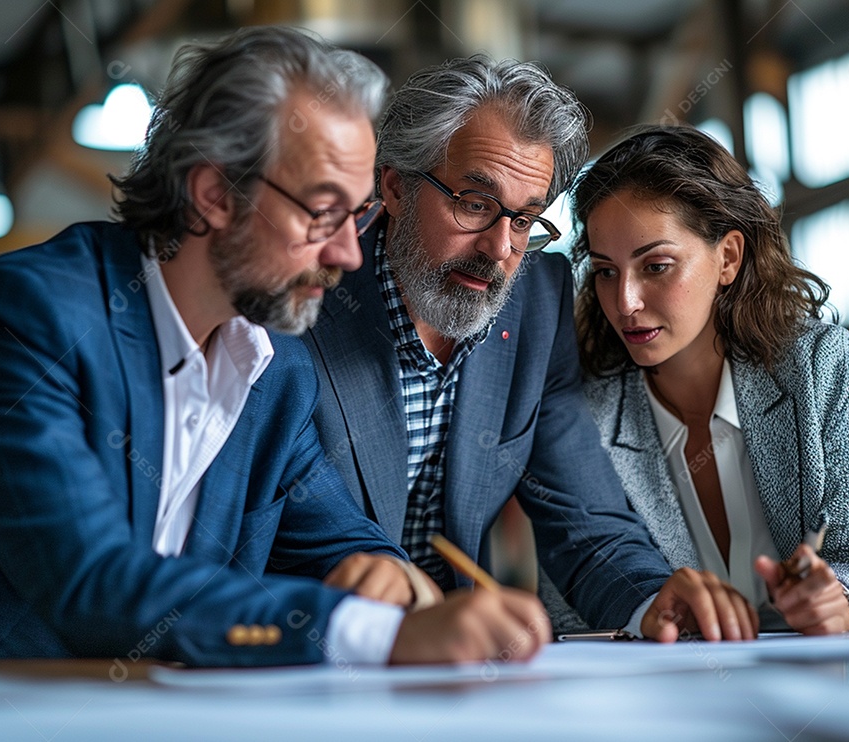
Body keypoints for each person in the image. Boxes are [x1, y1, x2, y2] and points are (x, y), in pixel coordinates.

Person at [0, 27, 552, 667]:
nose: (348, 254)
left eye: (357, 216)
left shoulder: (274, 367)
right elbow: (90, 581)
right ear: (214, 195)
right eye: (323, 213)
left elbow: (345, 543)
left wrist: (396, 584)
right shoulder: (33, 316)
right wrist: (367, 631)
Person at [302, 56, 758, 642]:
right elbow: (294, 510)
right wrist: (402, 600)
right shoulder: (308, 289)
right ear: (395, 186)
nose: (499, 248)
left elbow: (585, 522)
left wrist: (652, 599)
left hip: (457, 657)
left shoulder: (536, 301)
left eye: (524, 220)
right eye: (474, 204)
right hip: (306, 647)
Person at [571, 124, 849, 633]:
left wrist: (839, 597)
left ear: (728, 257)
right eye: (606, 271)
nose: (626, 302)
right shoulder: (586, 409)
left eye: (656, 266)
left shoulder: (819, 367)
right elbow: (570, 601)